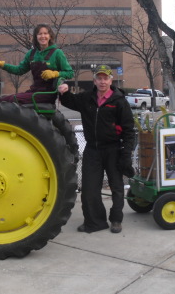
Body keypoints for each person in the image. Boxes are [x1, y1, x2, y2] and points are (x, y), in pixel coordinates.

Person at [58, 65, 135, 234]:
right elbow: (70, 101)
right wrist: (63, 91)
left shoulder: (119, 101)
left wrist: (127, 154)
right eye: (99, 78)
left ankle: (116, 219)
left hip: (113, 149)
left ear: (110, 80)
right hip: (92, 149)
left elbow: (129, 130)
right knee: (89, 188)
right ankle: (95, 222)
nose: (102, 81)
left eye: (105, 78)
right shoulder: (87, 98)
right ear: (94, 81)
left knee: (116, 186)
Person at [0, 24, 73, 104]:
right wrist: (3, 65)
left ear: (50, 36)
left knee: (13, 99)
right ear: (36, 37)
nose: (43, 36)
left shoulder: (57, 53)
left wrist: (55, 73)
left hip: (47, 94)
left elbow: (69, 73)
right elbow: (19, 70)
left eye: (45, 33)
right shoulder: (31, 54)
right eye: (40, 34)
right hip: (34, 91)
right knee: (4, 100)